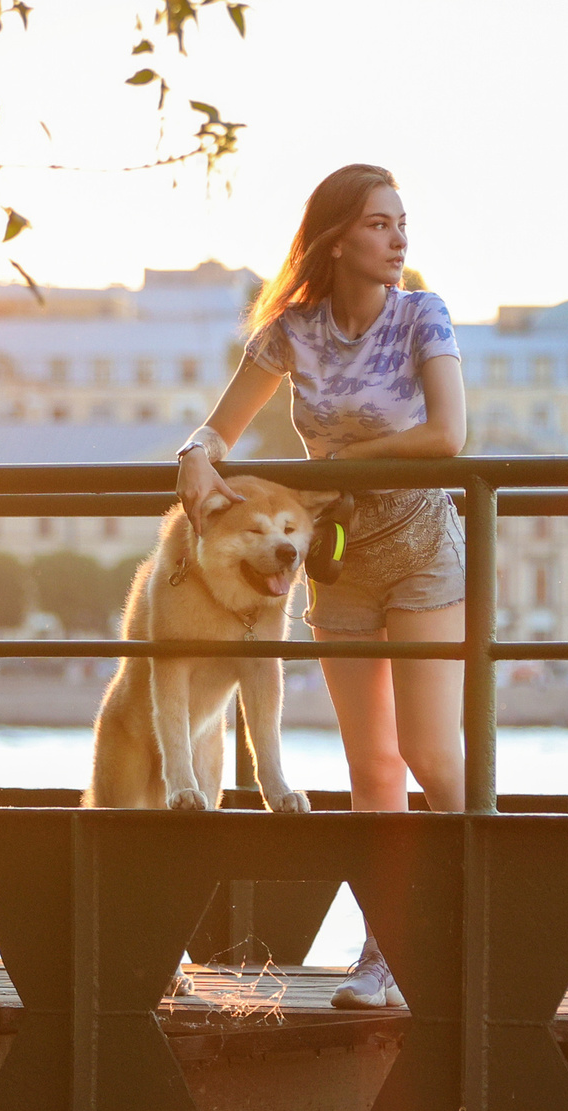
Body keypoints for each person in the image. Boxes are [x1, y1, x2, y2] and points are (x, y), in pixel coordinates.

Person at [176, 163, 467, 1010]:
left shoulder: (423, 314)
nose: (399, 237)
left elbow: (449, 434)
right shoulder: (294, 330)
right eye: (379, 224)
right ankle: (389, 956)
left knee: (430, 753)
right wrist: (194, 452)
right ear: (337, 237)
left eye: (403, 222)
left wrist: (341, 462)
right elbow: (220, 426)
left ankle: (483, 911)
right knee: (371, 767)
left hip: (418, 544)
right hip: (335, 555)